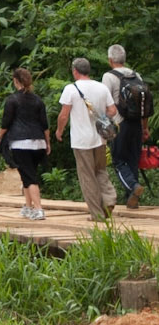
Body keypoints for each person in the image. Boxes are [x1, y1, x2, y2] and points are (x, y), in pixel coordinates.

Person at [56, 55, 119, 221]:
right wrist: (102, 118)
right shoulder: (101, 87)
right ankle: (109, 199)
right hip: (100, 139)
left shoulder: (71, 89)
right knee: (101, 171)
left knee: (87, 176)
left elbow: (64, 115)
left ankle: (97, 215)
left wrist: (59, 131)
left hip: (81, 140)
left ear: (75, 71)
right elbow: (113, 110)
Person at [0, 66, 51, 218]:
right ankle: (28, 206)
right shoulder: (38, 100)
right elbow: (45, 124)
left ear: (15, 81)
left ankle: (38, 209)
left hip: (20, 143)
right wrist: (48, 143)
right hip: (38, 143)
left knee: (29, 176)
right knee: (27, 174)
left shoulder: (12, 100)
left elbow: (5, 123)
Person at [102, 44, 151, 212]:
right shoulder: (136, 75)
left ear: (110, 60)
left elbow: (104, 102)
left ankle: (133, 186)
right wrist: (145, 128)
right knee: (132, 161)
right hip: (137, 124)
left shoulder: (108, 77)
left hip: (119, 124)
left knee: (118, 161)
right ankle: (132, 200)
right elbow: (143, 106)